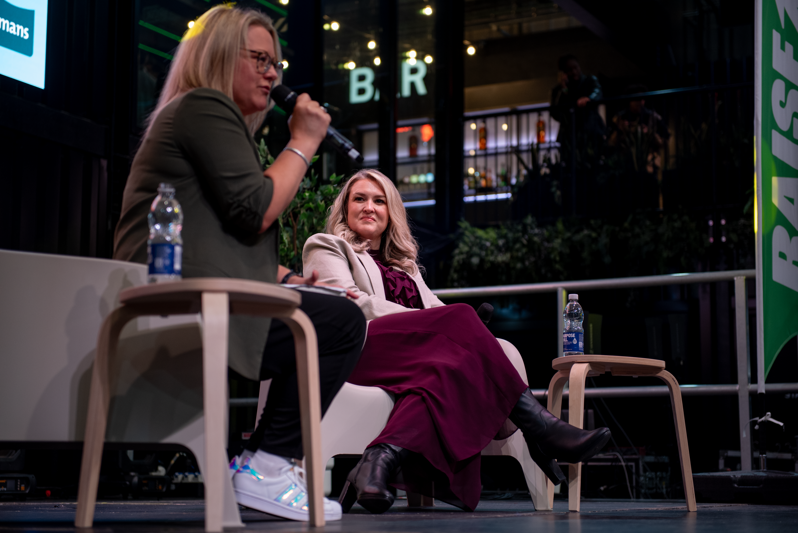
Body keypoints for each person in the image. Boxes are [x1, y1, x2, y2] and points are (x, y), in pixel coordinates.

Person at [113, 5, 366, 522]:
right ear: (220, 56)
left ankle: (263, 464)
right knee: (337, 325)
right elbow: (254, 210)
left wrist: (292, 279)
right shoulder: (204, 106)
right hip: (176, 304)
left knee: (325, 314)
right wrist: (305, 141)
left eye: (276, 63)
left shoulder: (198, 116)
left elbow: (212, 239)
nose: (273, 75)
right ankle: (268, 466)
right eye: (260, 60)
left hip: (186, 292)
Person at [303, 169, 612, 513]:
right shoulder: (326, 245)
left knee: (445, 371)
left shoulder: (405, 267)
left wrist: (458, 334)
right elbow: (351, 305)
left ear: (391, 211)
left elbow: (436, 308)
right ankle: (542, 428)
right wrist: (436, 324)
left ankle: (378, 462)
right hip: (360, 352)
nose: (369, 207)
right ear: (345, 208)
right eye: (359, 198)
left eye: (379, 200)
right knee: (463, 319)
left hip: (414, 360)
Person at [550, 54, 606, 169]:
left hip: (591, 131)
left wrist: (589, 99)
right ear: (563, 73)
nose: (574, 71)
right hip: (570, 135)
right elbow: (555, 112)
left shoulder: (589, 80)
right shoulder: (559, 90)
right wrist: (564, 88)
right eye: (570, 70)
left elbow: (598, 91)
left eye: (576, 68)